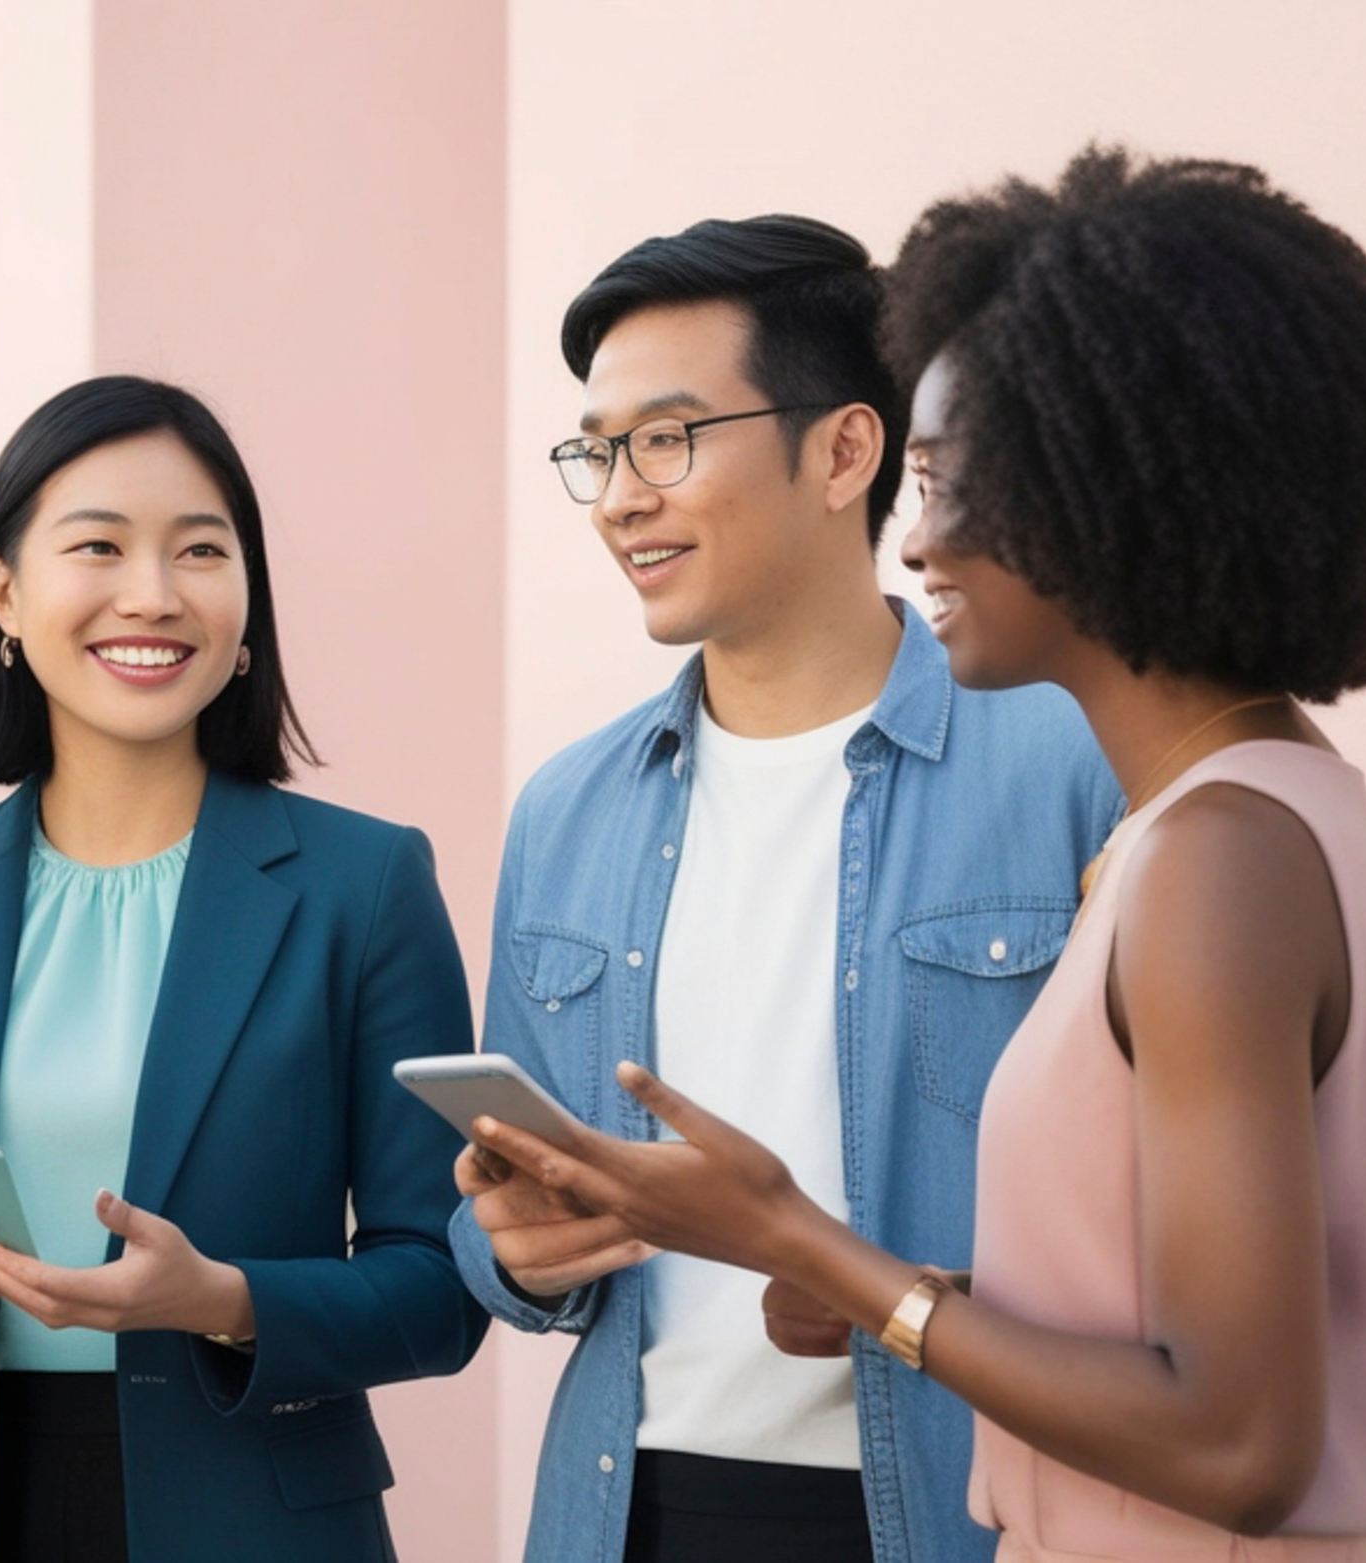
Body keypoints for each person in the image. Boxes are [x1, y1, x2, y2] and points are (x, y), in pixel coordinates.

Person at [470, 148, 1366, 1562]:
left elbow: (1239, 1432)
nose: (917, 539)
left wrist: (813, 1249)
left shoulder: (1201, 840)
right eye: (594, 451)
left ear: (1104, 484)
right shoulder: (1250, 805)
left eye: (945, 476)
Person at [449, 215, 1121, 1563]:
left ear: (842, 451)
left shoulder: (1071, 756)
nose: (622, 494)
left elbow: (1180, 1230)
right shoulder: (565, 811)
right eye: (598, 451)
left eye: (668, 437)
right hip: (626, 1502)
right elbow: (483, 1227)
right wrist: (509, 1245)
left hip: (952, 1506)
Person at [0, 376, 488, 1562]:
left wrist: (223, 1302)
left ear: (246, 603)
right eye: (97, 545)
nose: (152, 594)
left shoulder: (366, 887)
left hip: (264, 1522)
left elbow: (444, 1284)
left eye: (202, 550)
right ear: (5, 589)